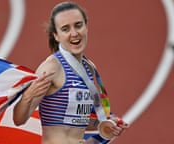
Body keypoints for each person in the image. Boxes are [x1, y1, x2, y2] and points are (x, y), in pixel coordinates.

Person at [13, 1, 129, 144]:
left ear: (86, 27)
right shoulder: (52, 67)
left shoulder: (87, 67)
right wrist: (27, 97)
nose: (74, 33)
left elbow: (76, 121)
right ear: (56, 35)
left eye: (78, 25)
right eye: (65, 29)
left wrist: (106, 125)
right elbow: (19, 119)